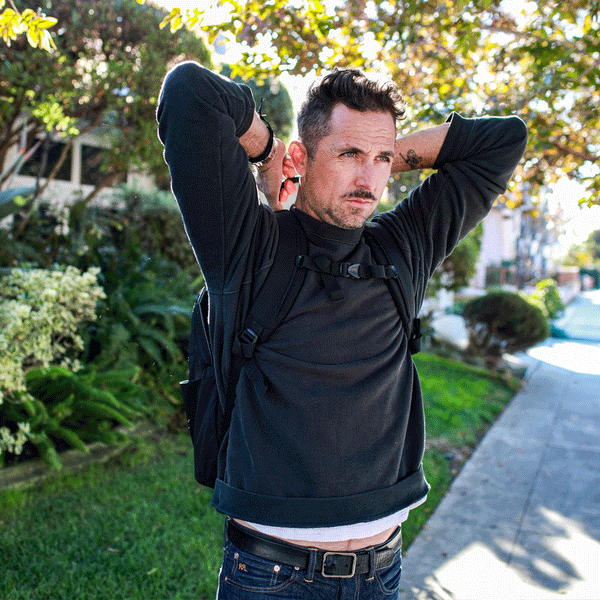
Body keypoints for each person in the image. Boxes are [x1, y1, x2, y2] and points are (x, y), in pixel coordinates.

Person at [157, 62, 527, 599]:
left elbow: (503, 139)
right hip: (273, 577)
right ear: (303, 158)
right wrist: (269, 153)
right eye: (349, 154)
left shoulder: (402, 248)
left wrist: (380, 150)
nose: (368, 179)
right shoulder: (248, 247)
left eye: (381, 160)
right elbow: (190, 92)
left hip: (382, 572)